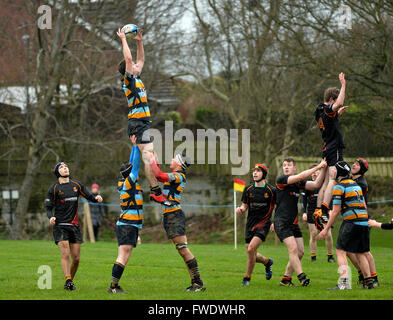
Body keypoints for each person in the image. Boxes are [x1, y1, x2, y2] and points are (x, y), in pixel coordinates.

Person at [116, 26, 169, 205]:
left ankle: (148, 185)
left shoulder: (137, 78)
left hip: (142, 124)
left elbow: (140, 58)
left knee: (147, 157)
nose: (138, 65)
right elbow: (130, 59)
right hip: (137, 124)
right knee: (149, 156)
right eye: (133, 66)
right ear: (129, 69)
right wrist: (123, 39)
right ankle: (155, 191)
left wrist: (140, 42)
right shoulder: (128, 81)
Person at [147, 151, 206, 292]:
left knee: (183, 249)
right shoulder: (175, 176)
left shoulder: (179, 176)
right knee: (182, 250)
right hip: (170, 215)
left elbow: (159, 175)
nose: (171, 159)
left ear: (179, 163)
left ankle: (198, 283)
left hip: (174, 215)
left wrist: (152, 159)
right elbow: (160, 177)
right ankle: (195, 283)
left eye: (174, 158)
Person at [45, 162, 103, 290]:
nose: (65, 168)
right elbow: (48, 208)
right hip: (60, 225)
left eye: (66, 166)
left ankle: (69, 281)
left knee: (76, 258)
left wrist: (96, 197)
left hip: (74, 226)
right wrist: (51, 217)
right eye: (61, 167)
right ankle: (69, 281)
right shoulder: (53, 188)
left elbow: (88, 196)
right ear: (57, 172)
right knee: (65, 255)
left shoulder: (76, 185)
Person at [318, 161, 374, 290]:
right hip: (363, 222)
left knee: (340, 251)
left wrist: (326, 229)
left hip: (351, 221)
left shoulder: (339, 187)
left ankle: (344, 283)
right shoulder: (355, 185)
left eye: (334, 169)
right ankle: (368, 282)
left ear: (338, 172)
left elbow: (336, 211)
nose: (331, 171)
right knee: (360, 252)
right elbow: (364, 206)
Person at [273, 157, 327, 287]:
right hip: (282, 222)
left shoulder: (298, 183)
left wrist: (324, 170)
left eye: (289, 165)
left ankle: (286, 279)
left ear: (294, 167)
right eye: (284, 165)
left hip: (293, 223)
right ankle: (301, 276)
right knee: (293, 249)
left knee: (300, 252)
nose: (286, 167)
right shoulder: (282, 180)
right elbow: (300, 176)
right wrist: (318, 167)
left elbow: (316, 185)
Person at [313, 73, 349, 226]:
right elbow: (339, 103)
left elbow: (329, 120)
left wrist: (336, 115)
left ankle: (318, 211)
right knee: (333, 178)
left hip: (327, 147)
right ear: (331, 100)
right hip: (333, 147)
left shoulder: (319, 109)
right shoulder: (327, 108)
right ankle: (325, 209)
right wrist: (343, 85)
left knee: (326, 181)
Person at [108, 135, 142, 293]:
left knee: (125, 256)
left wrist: (133, 145)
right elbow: (134, 166)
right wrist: (136, 146)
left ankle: (114, 286)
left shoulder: (126, 182)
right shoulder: (129, 182)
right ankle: (113, 287)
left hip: (130, 224)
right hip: (127, 224)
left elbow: (131, 165)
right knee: (123, 255)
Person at [236, 164, 275, 286]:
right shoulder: (248, 189)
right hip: (250, 224)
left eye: (258, 171)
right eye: (254, 171)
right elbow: (244, 205)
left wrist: (275, 222)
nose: (255, 173)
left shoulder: (271, 190)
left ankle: (246, 278)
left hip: (264, 223)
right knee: (250, 252)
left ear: (264, 174)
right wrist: (241, 209)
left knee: (251, 248)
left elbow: (277, 207)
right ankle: (267, 262)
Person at [347, 158, 379, 287]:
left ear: (362, 169)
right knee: (349, 250)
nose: (354, 165)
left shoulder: (361, 183)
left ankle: (373, 278)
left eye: (358, 164)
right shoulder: (352, 180)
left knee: (364, 251)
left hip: (362, 219)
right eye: (354, 163)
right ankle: (362, 273)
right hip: (353, 218)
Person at [301, 165, 335, 263]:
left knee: (328, 234)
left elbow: (330, 198)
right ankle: (313, 257)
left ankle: (330, 256)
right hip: (311, 212)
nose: (315, 173)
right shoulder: (308, 185)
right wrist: (304, 212)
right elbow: (304, 201)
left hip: (323, 211)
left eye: (317, 171)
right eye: (313, 172)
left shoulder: (326, 184)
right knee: (314, 234)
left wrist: (331, 209)